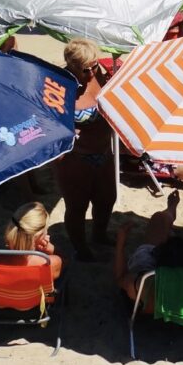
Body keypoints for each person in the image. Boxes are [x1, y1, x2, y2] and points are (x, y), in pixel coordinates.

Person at [53, 40, 117, 260]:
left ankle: (99, 235)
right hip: (76, 159)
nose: (90, 73)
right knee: (77, 208)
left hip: (104, 153)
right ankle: (81, 249)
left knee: (107, 199)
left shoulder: (105, 74)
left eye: (94, 66)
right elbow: (46, 120)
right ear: (70, 65)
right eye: (84, 69)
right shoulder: (59, 86)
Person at [0, 203, 64, 283]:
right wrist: (50, 249)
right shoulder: (50, 263)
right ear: (39, 235)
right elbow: (65, 264)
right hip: (37, 294)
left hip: (8, 293)